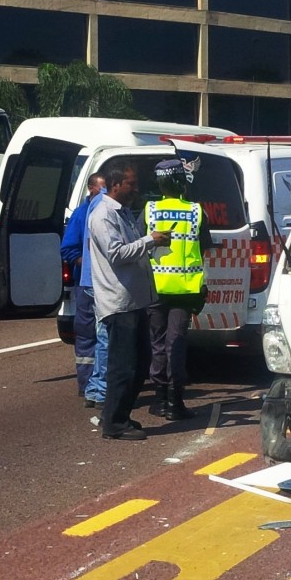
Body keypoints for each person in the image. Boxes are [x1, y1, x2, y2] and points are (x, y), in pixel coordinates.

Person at [86, 165, 171, 441]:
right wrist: (149, 240)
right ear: (115, 185)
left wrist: (152, 244)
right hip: (118, 302)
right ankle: (113, 423)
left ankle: (120, 415)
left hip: (135, 300)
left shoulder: (122, 213)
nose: (135, 190)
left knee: (140, 361)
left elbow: (131, 248)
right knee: (123, 366)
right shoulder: (102, 215)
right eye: (131, 185)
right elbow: (117, 254)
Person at [145, 157, 212, 421]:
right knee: (176, 343)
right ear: (181, 182)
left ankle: (160, 399)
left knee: (158, 343)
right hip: (185, 289)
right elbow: (205, 245)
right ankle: (175, 401)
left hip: (155, 288)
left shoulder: (149, 210)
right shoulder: (196, 211)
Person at [60, 173, 106, 406]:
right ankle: (87, 386)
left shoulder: (109, 212)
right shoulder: (81, 214)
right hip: (86, 284)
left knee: (104, 338)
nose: (105, 194)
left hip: (103, 283)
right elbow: (68, 249)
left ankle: (97, 387)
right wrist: (87, 262)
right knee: (89, 337)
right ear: (91, 189)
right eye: (102, 190)